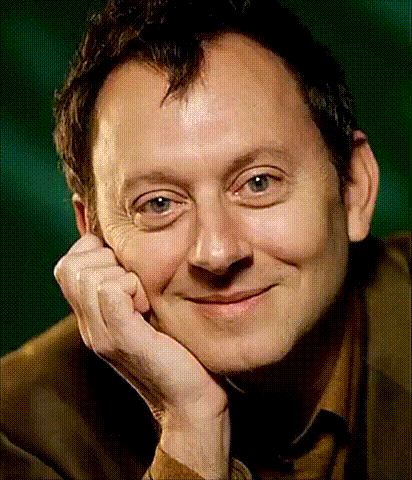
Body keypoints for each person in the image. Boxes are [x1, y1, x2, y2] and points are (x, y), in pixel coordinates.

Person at [1, 0, 410, 478]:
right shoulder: (19, 430)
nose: (217, 253)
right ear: (93, 233)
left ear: (354, 188)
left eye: (259, 183)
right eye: (159, 204)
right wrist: (190, 425)